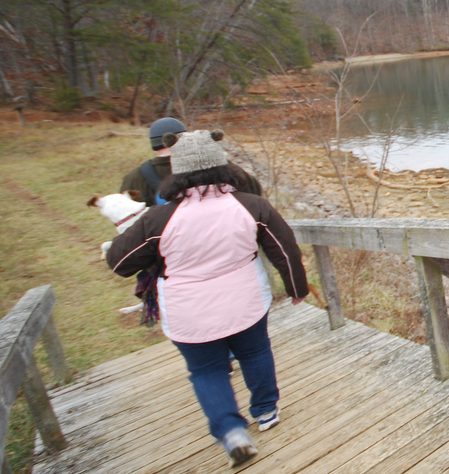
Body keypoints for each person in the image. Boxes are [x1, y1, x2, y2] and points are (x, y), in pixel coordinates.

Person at [107, 129, 309, 468]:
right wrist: (297, 289)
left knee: (206, 370)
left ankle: (231, 431)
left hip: (189, 310)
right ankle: (267, 410)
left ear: (176, 174)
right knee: (255, 351)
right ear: (225, 167)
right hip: (244, 300)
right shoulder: (252, 205)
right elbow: (285, 250)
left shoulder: (158, 219)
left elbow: (121, 262)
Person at [120, 117, 263, 206]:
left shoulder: (133, 177)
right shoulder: (214, 166)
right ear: (185, 137)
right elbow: (254, 191)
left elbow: (124, 213)